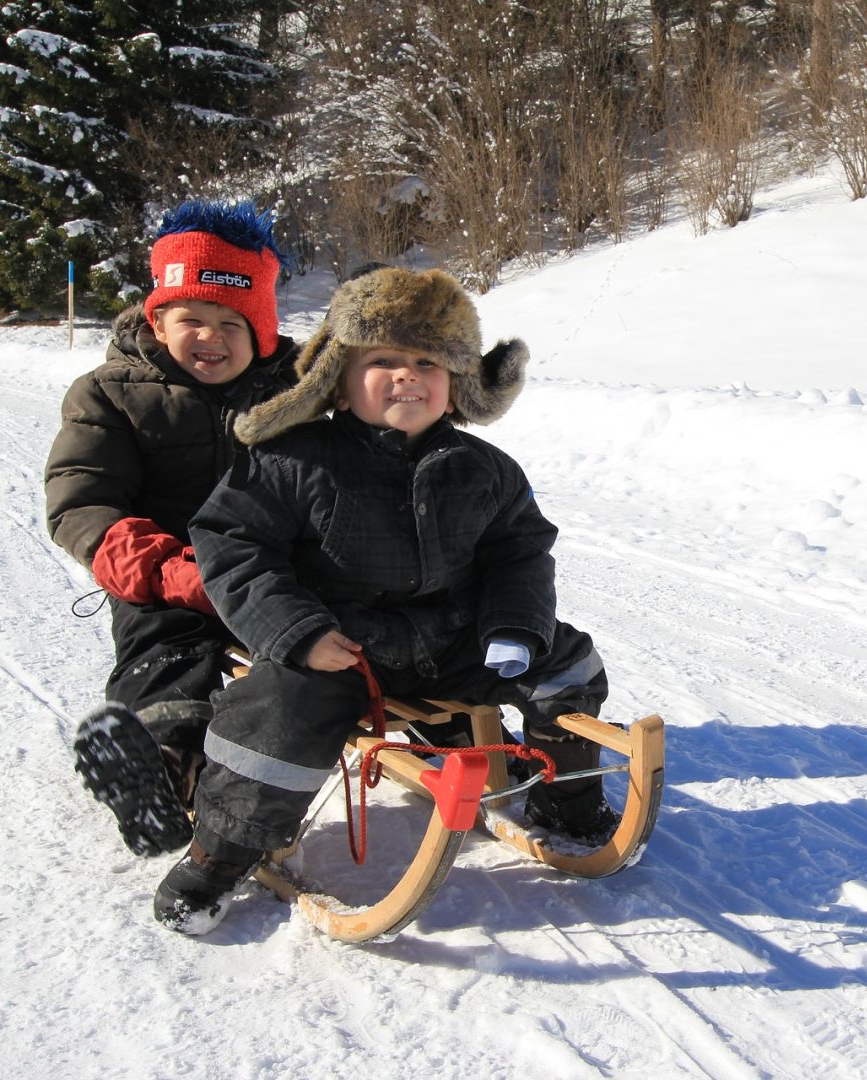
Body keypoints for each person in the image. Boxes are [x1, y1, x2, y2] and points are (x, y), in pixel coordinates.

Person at [154, 266, 615, 934]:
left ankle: (565, 800)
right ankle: (221, 850)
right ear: (338, 377)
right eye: (383, 360)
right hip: (339, 646)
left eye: (427, 361)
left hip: (454, 639)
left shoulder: (484, 469)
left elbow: (519, 550)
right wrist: (297, 631)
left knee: (569, 660)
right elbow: (233, 542)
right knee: (276, 712)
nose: (407, 375)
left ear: (455, 383)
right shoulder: (295, 457)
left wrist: (516, 626)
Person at [45, 200, 299, 858]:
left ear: (263, 332)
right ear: (159, 320)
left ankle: (459, 737)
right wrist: (163, 570)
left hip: (275, 572)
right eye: (192, 319)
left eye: (230, 323)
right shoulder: (112, 395)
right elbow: (82, 500)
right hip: (169, 574)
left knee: (377, 626)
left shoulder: (296, 395)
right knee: (166, 646)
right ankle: (158, 765)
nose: (209, 337)